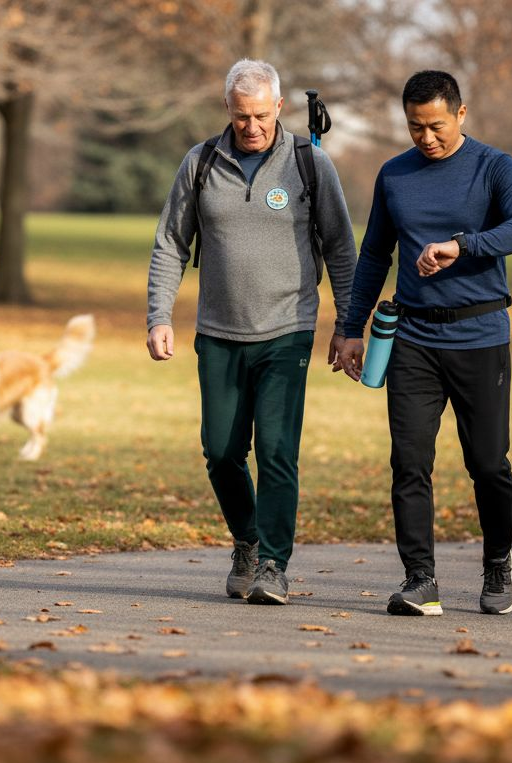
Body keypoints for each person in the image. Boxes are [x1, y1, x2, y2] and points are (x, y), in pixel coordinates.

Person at [147, 59, 357, 605]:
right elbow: (171, 242)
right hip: (218, 330)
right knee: (220, 450)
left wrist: (347, 324)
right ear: (227, 110)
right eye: (242, 116)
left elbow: (340, 247)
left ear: (279, 108)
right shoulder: (200, 163)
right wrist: (159, 315)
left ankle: (271, 564)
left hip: (287, 329)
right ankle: (246, 538)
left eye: (262, 115)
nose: (252, 127)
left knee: (277, 450)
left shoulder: (310, 165)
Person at [336, 70, 512, 616]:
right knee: (409, 460)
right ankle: (419, 578)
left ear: (461, 114)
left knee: (488, 463)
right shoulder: (395, 175)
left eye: (436, 126)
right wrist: (351, 328)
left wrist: (462, 245)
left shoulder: (494, 166)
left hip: (480, 335)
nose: (426, 138)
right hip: (413, 339)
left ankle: (498, 562)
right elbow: (375, 253)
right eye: (415, 127)